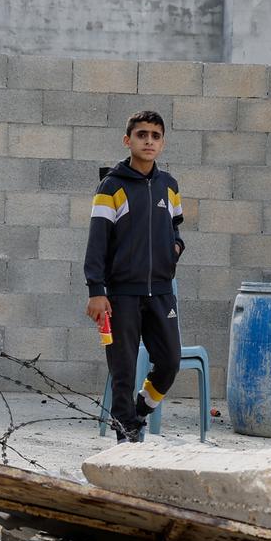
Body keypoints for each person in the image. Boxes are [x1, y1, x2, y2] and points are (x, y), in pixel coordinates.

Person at [84, 111, 184, 444]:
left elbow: (176, 227)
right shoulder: (110, 187)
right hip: (121, 295)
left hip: (161, 292)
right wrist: (96, 291)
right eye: (142, 135)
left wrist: (176, 247)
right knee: (123, 371)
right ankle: (125, 437)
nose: (149, 141)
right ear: (128, 141)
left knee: (170, 361)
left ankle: (139, 410)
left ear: (163, 142)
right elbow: (97, 241)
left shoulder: (169, 185)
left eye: (156, 136)